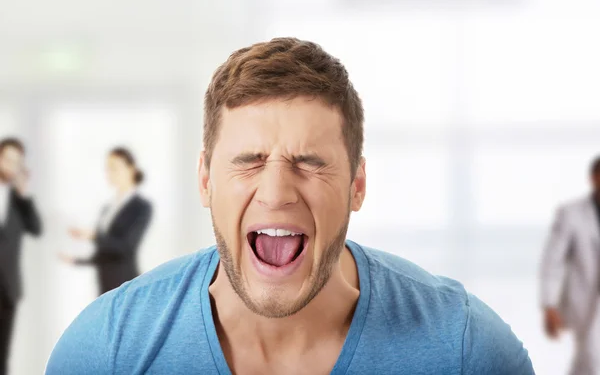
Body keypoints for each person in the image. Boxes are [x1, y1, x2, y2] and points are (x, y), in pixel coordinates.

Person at [46, 38, 534, 374]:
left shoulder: (467, 352)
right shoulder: (105, 352)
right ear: (204, 181)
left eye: (309, 162)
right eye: (249, 162)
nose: (277, 193)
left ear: (357, 185)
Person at [61, 147, 152, 295]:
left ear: (131, 169)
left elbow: (126, 247)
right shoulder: (107, 208)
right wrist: (77, 260)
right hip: (104, 285)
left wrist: (94, 236)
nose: (109, 173)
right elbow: (105, 252)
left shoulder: (141, 206)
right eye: (108, 169)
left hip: (125, 284)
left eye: (114, 168)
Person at [540, 156, 600, 374]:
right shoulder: (571, 214)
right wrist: (549, 305)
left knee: (589, 359)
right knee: (591, 357)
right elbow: (552, 261)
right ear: (594, 178)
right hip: (585, 301)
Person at [0, 138, 42, 375]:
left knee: (2, 353)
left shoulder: (19, 200)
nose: (10, 166)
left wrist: (24, 195)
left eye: (16, 162)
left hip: (8, 288)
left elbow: (36, 229)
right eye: (6, 159)